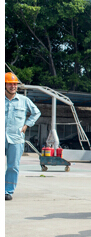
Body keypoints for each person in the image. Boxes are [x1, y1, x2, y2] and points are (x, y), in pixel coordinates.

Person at [5, 72, 41, 201]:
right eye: (10, 84)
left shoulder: (24, 100)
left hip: (16, 138)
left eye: (15, 84)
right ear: (4, 85)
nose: (13, 86)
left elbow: (36, 112)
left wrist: (27, 125)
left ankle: (7, 191)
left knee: (13, 166)